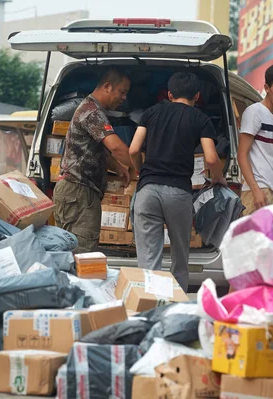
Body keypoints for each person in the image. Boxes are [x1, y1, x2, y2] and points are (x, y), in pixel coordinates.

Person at [129, 72, 226, 291]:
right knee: (180, 259)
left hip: (148, 190)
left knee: (149, 260)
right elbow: (211, 158)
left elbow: (134, 149)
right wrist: (219, 177)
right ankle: (175, 308)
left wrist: (140, 171)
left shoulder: (151, 113)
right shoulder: (200, 119)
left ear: (170, 94)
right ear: (197, 95)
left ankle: (150, 307)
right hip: (178, 193)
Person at [54, 68, 133, 253]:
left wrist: (118, 167)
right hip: (78, 191)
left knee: (76, 252)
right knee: (81, 253)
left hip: (79, 192)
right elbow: (115, 146)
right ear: (107, 86)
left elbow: (97, 150)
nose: (124, 98)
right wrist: (143, 167)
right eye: (122, 92)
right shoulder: (92, 112)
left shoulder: (94, 110)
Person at [237, 64, 273, 216]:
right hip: (258, 191)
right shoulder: (255, 112)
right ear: (267, 88)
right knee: (254, 239)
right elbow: (242, 155)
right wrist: (256, 190)